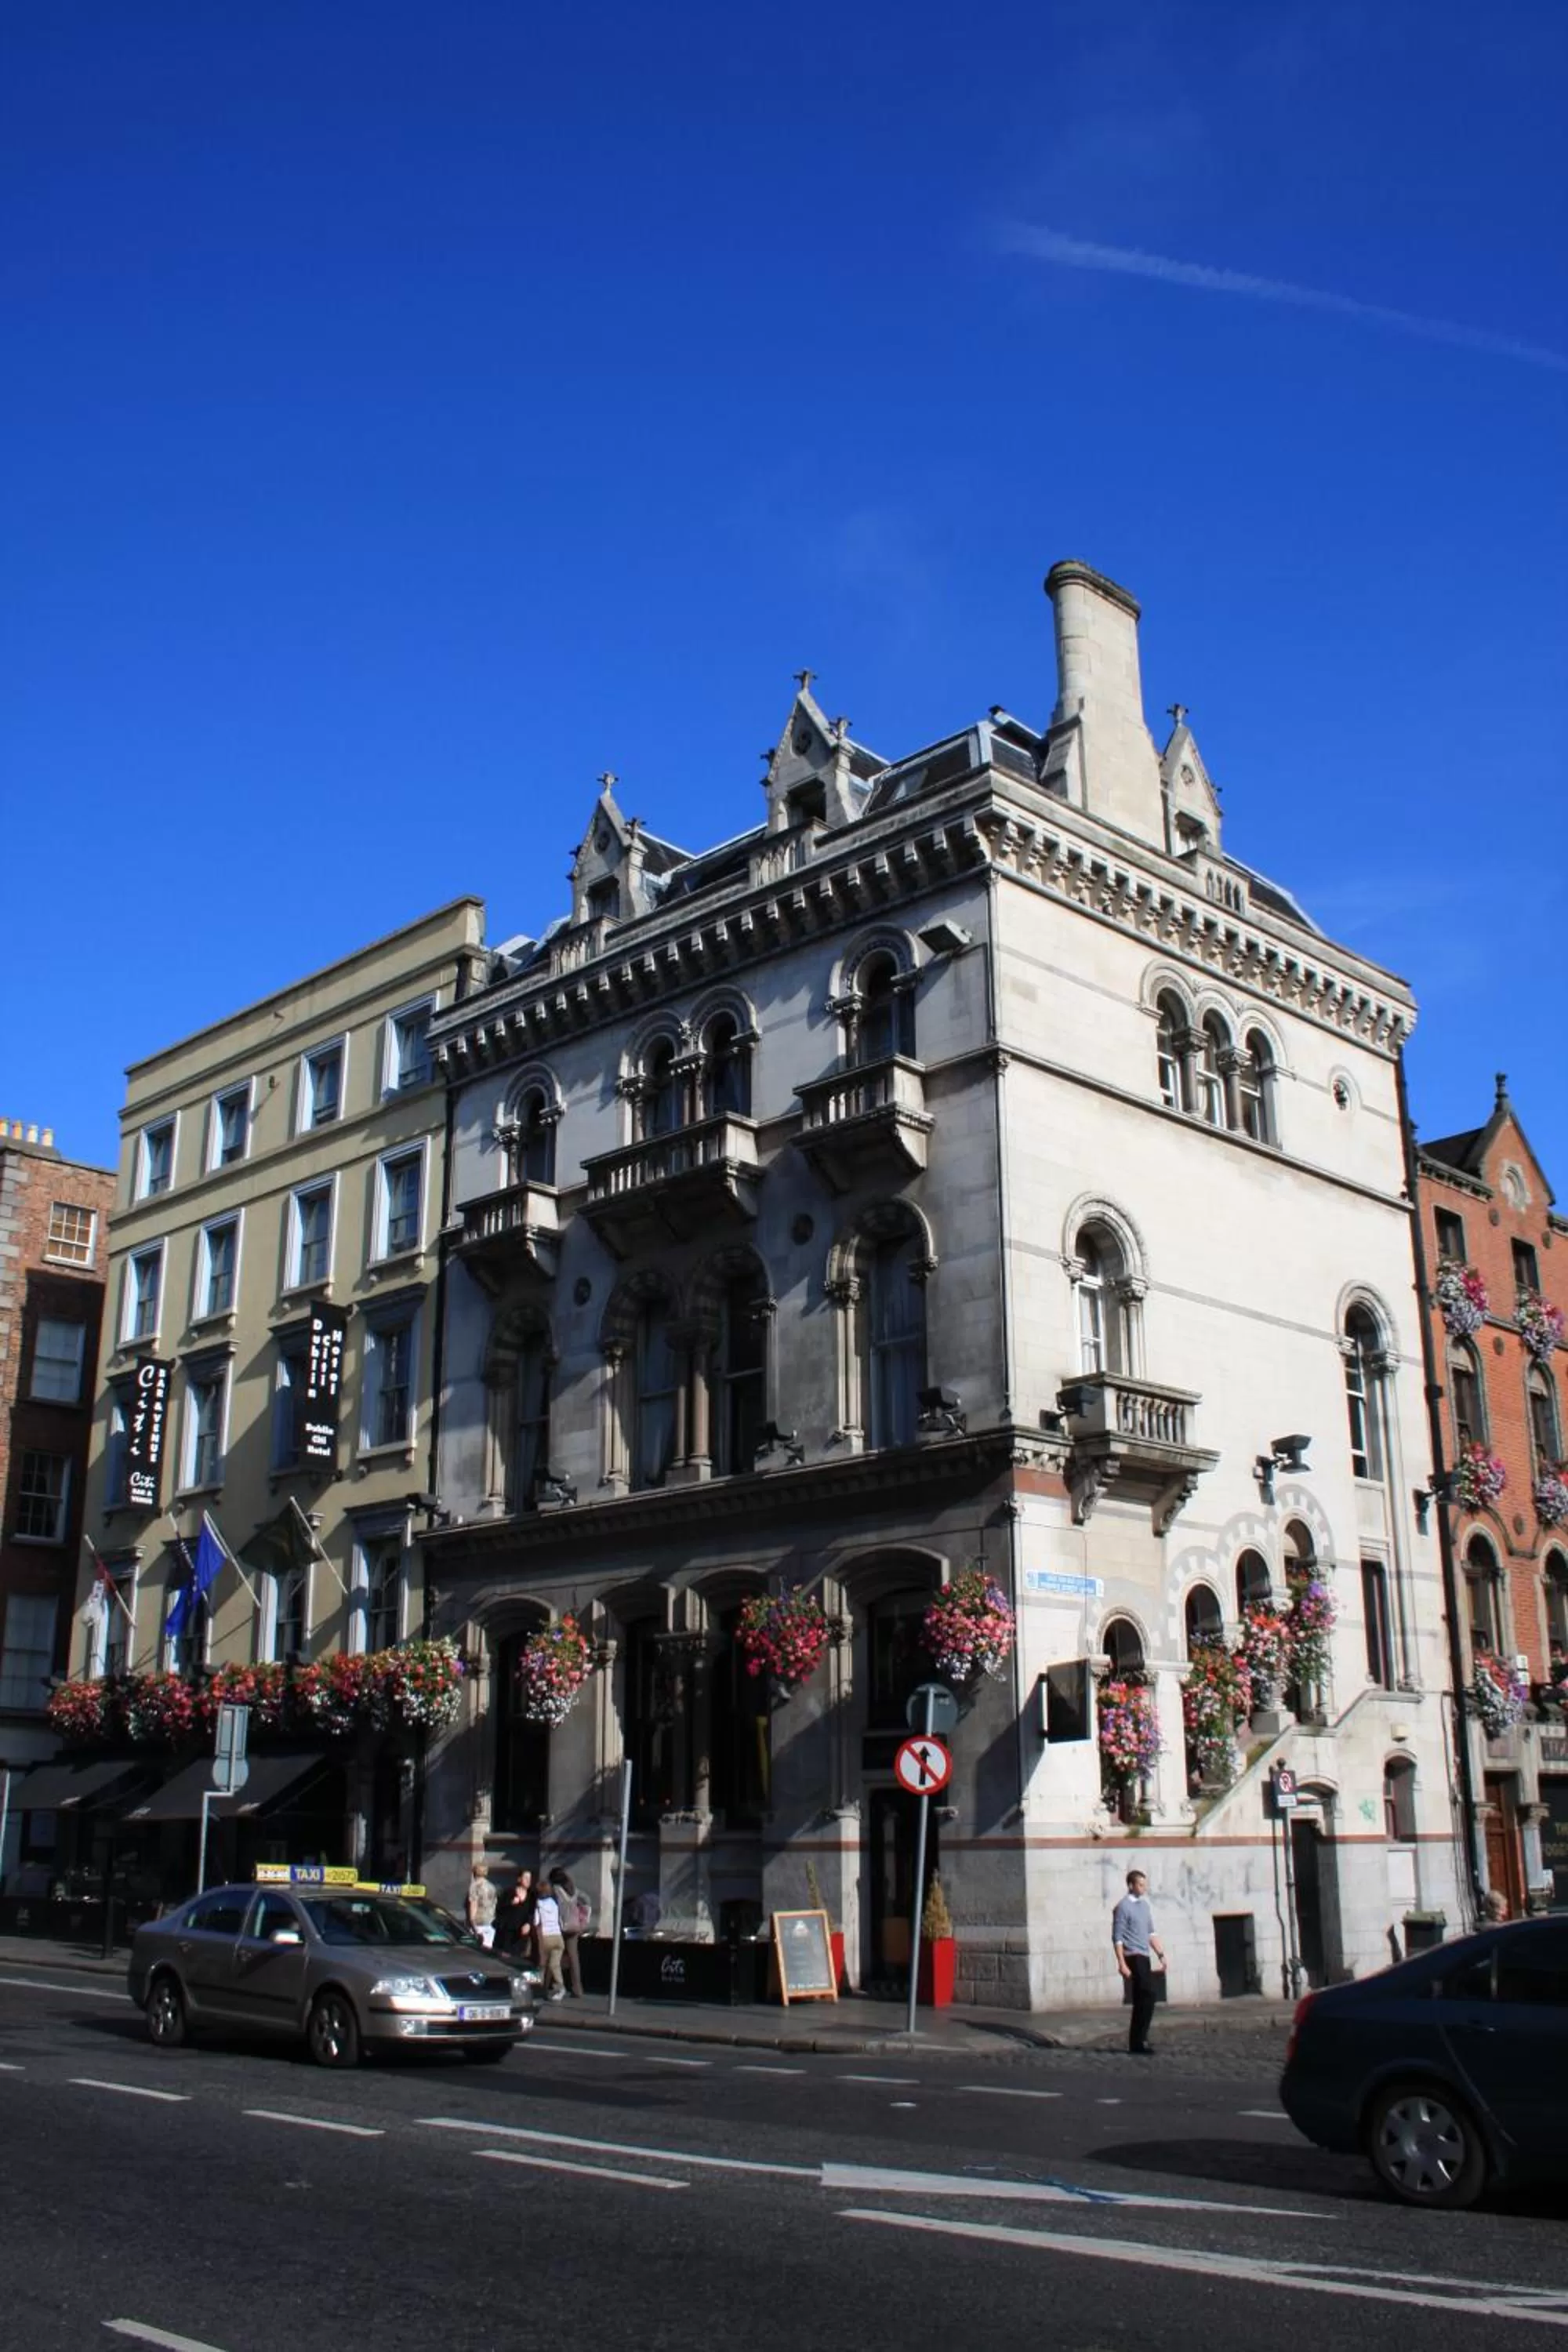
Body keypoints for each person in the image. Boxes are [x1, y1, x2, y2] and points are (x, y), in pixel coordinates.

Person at [1112, 1867, 1166, 2055]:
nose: (1144, 1888)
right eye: (1140, 1884)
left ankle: (1139, 2040)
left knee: (1144, 2000)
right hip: (1132, 1955)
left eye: (1145, 1884)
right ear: (1131, 1885)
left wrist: (1160, 1954)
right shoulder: (1123, 1907)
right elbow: (1117, 1937)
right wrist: (1121, 1963)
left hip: (1145, 1955)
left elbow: (1151, 1933)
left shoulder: (1145, 1906)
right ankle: (1138, 2041)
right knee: (1148, 1994)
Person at [549, 1866, 589, 1998]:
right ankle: (578, 1989)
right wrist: (584, 1920)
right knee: (573, 1958)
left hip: (560, 1927)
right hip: (575, 1927)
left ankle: (557, 1986)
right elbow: (587, 1900)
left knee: (556, 1956)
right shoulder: (574, 1890)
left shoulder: (555, 1890)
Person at [533, 1875, 566, 2000]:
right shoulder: (555, 1902)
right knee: (555, 1965)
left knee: (542, 1965)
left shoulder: (539, 1904)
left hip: (545, 1937)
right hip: (558, 1937)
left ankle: (539, 1989)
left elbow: (536, 1921)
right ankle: (561, 1987)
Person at [495, 1867, 536, 1964]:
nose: (528, 1880)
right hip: (507, 1932)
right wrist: (510, 1903)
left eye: (530, 1878)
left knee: (519, 1959)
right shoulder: (508, 1893)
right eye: (526, 1878)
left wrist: (529, 1924)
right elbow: (499, 1909)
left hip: (522, 1934)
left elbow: (533, 1912)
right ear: (519, 1879)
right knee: (505, 1959)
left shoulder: (532, 1896)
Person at [466, 1860, 499, 1949]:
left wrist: (472, 1923)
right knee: (487, 1953)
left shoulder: (474, 1886)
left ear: (474, 1872)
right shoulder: (492, 1887)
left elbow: (473, 1905)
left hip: (478, 1924)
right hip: (490, 1923)